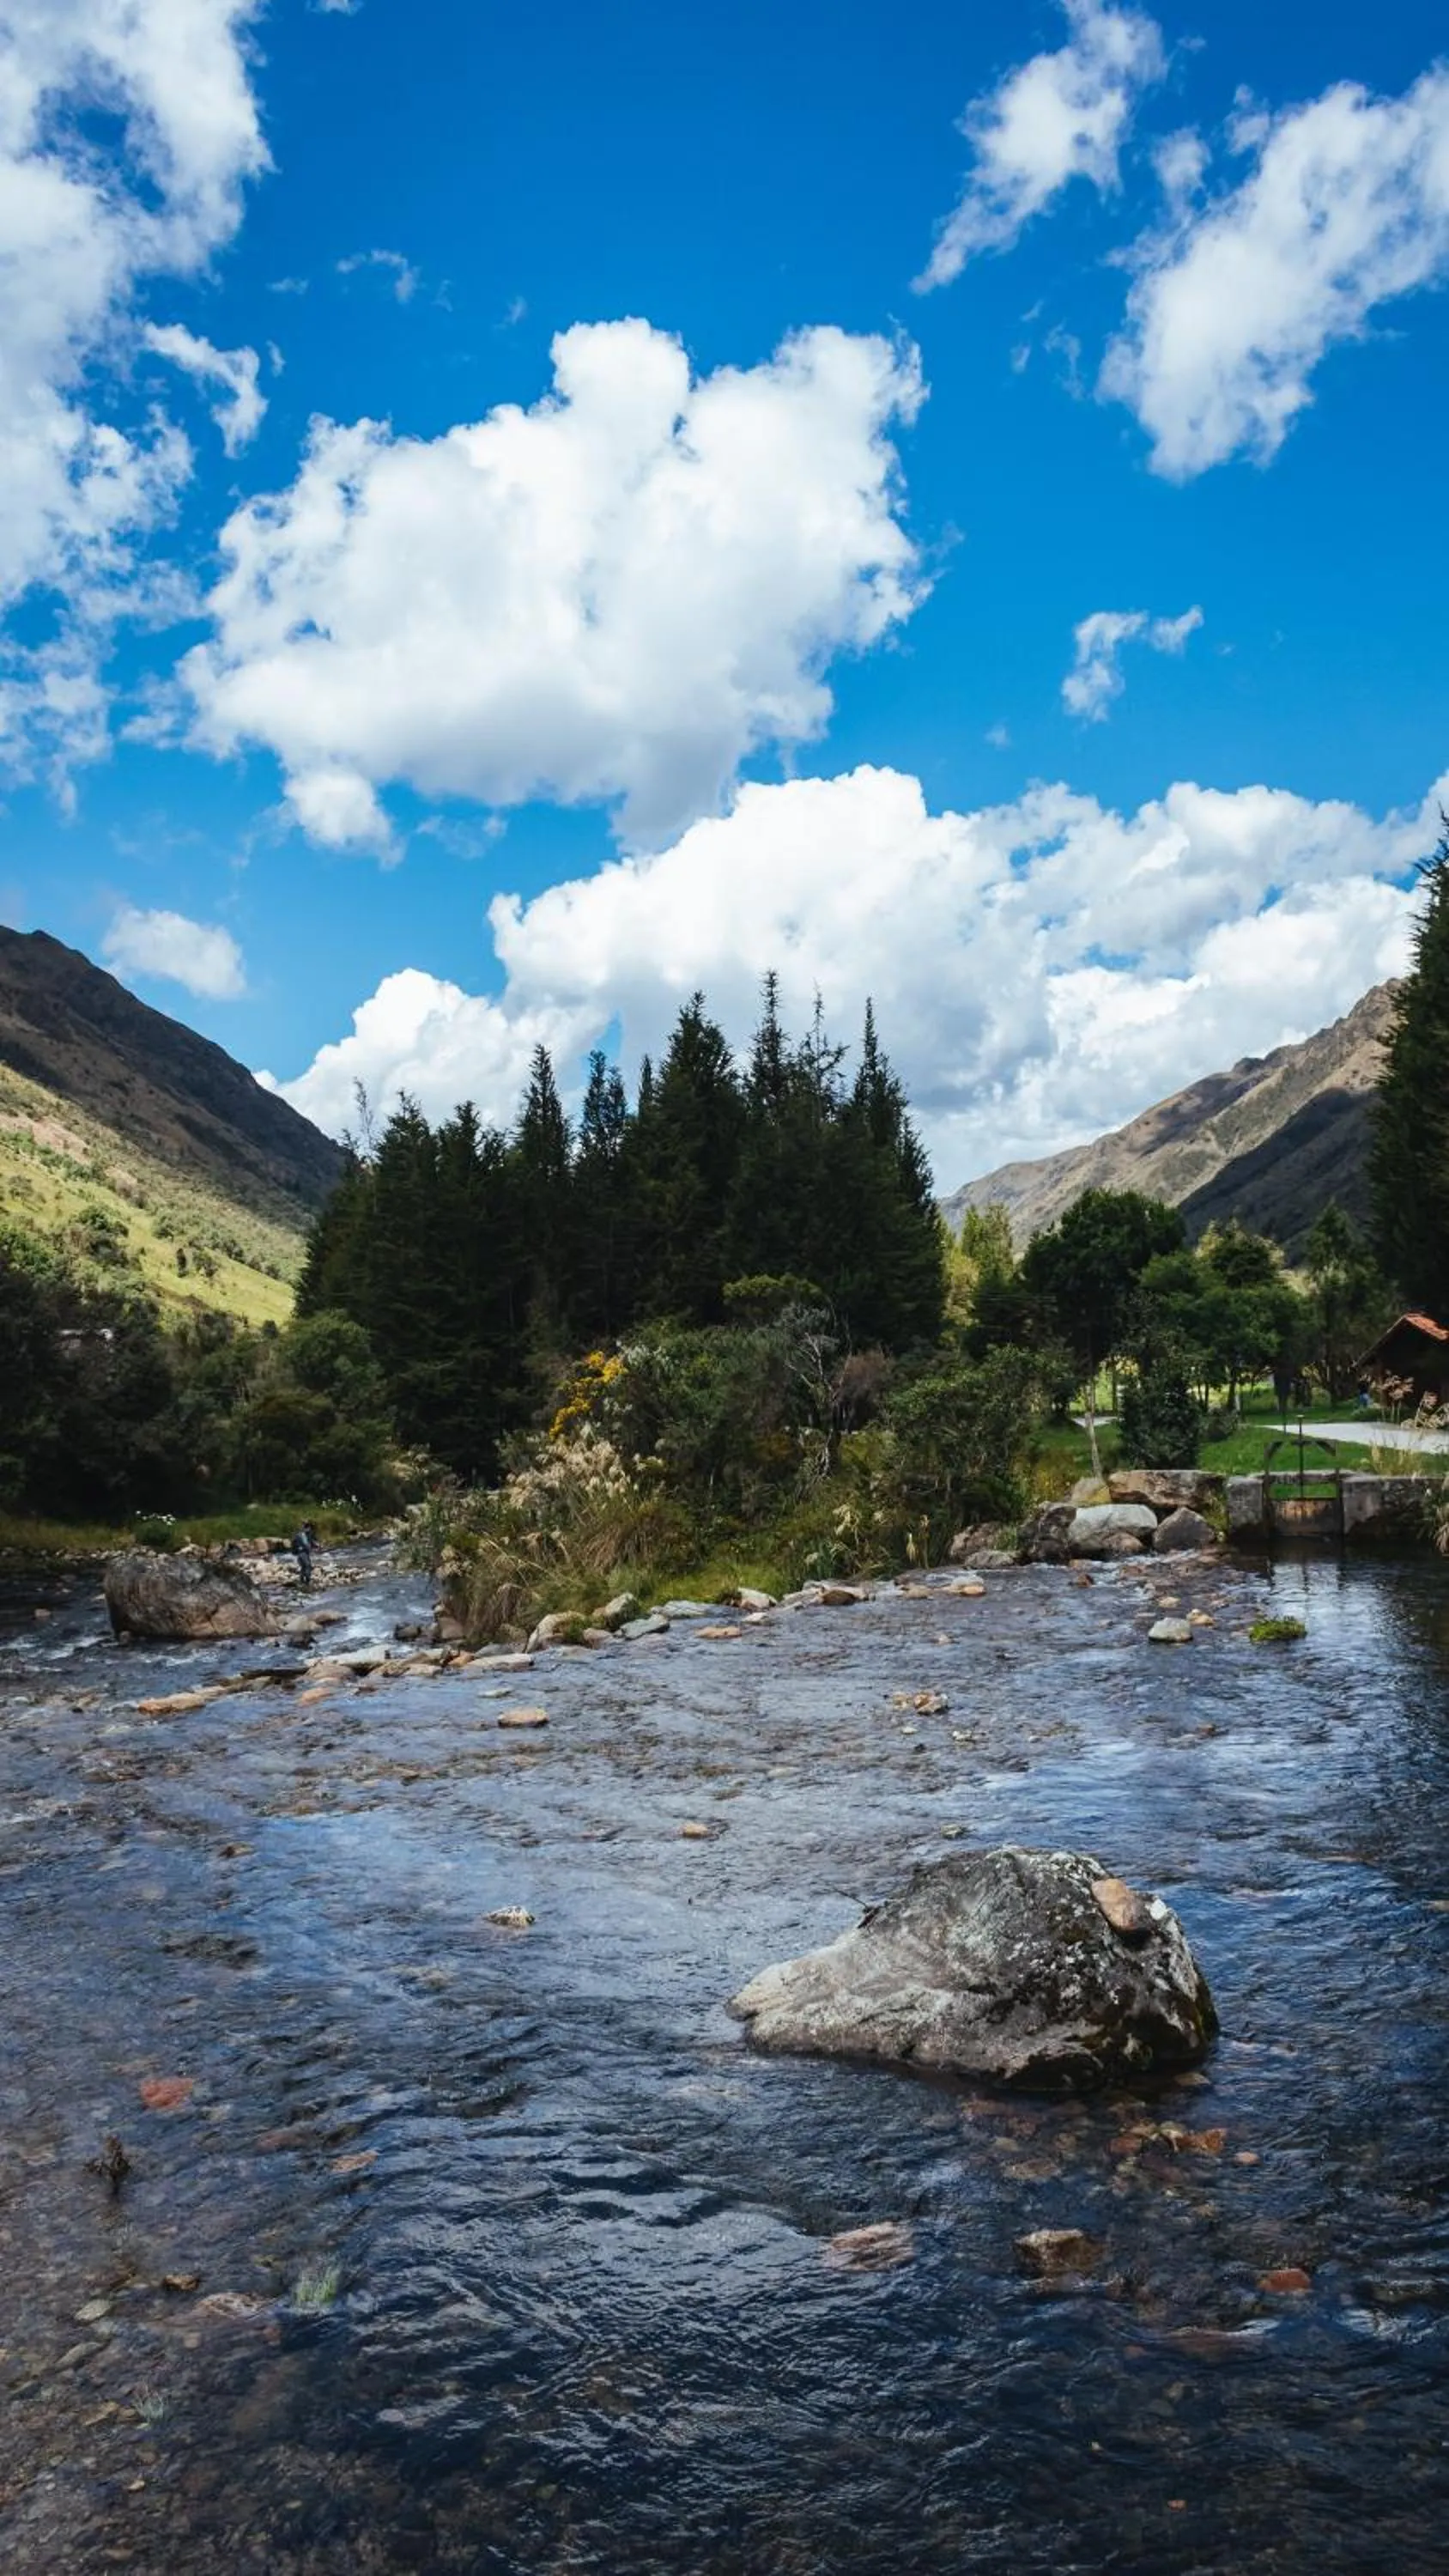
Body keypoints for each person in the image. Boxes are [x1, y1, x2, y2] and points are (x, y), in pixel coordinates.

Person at [291, 1522, 316, 1589]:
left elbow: (311, 1542)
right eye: (309, 1528)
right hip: (303, 1553)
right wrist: (312, 1549)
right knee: (308, 1565)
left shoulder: (302, 1534)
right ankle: (307, 1581)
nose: (310, 1530)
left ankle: (301, 1581)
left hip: (301, 1553)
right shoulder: (302, 1535)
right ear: (307, 1528)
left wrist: (316, 1545)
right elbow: (306, 1544)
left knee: (303, 1567)